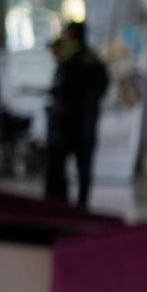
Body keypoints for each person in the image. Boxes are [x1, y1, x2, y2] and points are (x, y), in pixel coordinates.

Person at [44, 18, 111, 209]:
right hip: (84, 121)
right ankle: (81, 205)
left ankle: (66, 204)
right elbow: (102, 87)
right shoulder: (91, 57)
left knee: (71, 164)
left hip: (72, 123)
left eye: (68, 34)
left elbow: (61, 89)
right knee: (83, 165)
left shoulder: (72, 59)